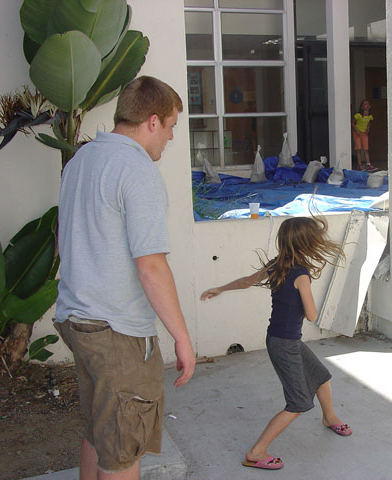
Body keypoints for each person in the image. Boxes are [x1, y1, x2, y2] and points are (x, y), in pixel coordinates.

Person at [54, 76, 196, 480]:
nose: (170, 138)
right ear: (152, 121)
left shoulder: (81, 160)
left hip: (79, 322)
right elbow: (150, 265)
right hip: (118, 332)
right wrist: (182, 338)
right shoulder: (137, 169)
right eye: (170, 126)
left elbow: (64, 242)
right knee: (124, 450)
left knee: (100, 433)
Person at [200, 217, 352, 471]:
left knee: (321, 376)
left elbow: (246, 281)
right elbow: (312, 315)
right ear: (306, 245)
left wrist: (220, 288)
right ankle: (255, 452)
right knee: (299, 403)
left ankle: (329, 417)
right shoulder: (301, 275)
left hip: (282, 339)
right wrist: (306, 295)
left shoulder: (277, 264)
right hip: (285, 344)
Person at [352, 99, 376, 172]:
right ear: (362, 107)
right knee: (358, 149)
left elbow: (369, 122)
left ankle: (368, 165)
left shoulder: (370, 116)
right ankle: (360, 166)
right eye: (365, 104)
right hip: (357, 133)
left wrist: (368, 128)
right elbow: (352, 122)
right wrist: (356, 130)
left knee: (366, 149)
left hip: (364, 133)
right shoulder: (358, 115)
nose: (367, 105)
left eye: (368, 104)